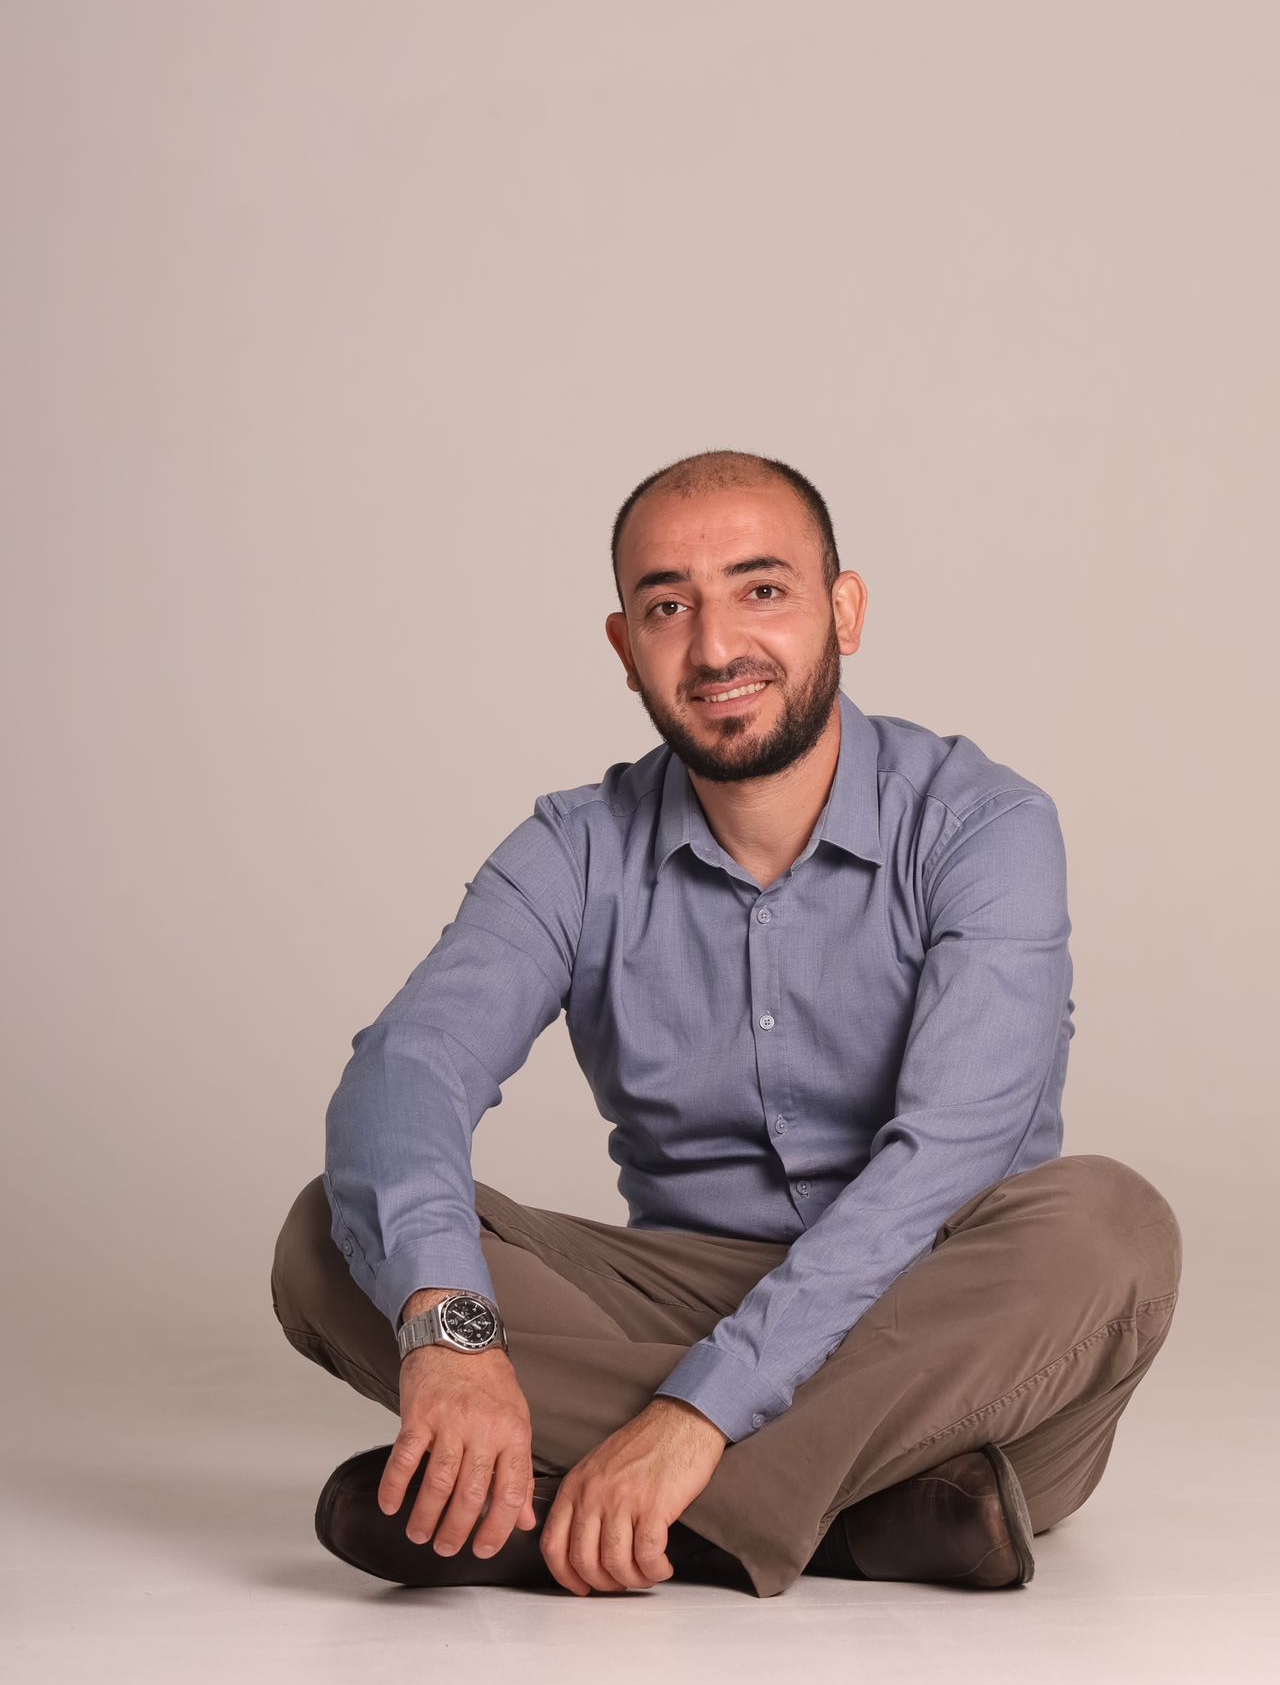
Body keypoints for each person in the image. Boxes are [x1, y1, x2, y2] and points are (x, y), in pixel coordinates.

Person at [271, 447, 1182, 1600]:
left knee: (1108, 1229)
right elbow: (407, 1074)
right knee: (333, 1237)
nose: (713, 648)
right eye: (668, 607)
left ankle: (589, 1502)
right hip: (683, 1296)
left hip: (940, 1309)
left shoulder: (980, 825)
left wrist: (695, 1415)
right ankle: (851, 1517)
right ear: (625, 648)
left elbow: (945, 1158)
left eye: (761, 590)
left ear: (841, 612)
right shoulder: (572, 850)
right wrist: (450, 1334)